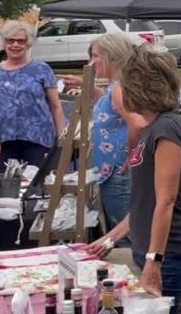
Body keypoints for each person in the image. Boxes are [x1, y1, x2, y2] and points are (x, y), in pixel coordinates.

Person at [87, 47, 181, 314]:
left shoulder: (167, 129)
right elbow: (144, 202)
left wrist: (154, 262)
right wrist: (111, 238)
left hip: (169, 252)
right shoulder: (152, 128)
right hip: (150, 249)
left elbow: (166, 201)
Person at [62, 34, 148, 237]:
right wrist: (89, 87)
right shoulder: (116, 86)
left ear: (112, 57)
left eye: (95, 56)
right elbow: (111, 104)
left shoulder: (119, 89)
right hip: (111, 171)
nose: (91, 62)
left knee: (122, 233)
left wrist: (130, 154)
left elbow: (137, 123)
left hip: (119, 172)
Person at [0, 21, 65, 171]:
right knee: (2, 187)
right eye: (10, 40)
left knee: (36, 188)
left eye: (21, 41)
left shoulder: (42, 69)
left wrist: (61, 139)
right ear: (4, 43)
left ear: (28, 44)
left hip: (38, 139)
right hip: (3, 139)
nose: (15, 45)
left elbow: (56, 106)